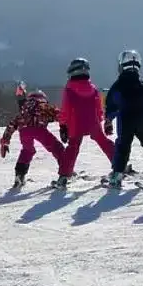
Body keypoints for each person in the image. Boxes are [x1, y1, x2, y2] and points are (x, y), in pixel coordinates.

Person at [102, 50, 143, 187]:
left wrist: (108, 120)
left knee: (123, 146)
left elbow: (112, 104)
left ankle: (117, 174)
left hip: (126, 120)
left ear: (121, 65)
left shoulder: (118, 85)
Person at [55, 58, 116, 189]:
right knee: (104, 142)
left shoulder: (69, 89)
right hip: (93, 122)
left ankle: (64, 177)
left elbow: (65, 110)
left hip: (76, 124)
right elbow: (99, 107)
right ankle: (119, 165)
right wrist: (99, 120)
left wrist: (63, 125)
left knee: (72, 148)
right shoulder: (93, 88)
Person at [0, 89, 66, 188]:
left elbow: (12, 125)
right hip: (38, 129)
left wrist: (5, 142)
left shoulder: (24, 109)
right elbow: (58, 114)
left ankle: (19, 175)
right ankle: (65, 172)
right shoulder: (42, 104)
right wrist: (66, 125)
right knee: (56, 147)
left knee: (27, 150)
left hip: (24, 131)